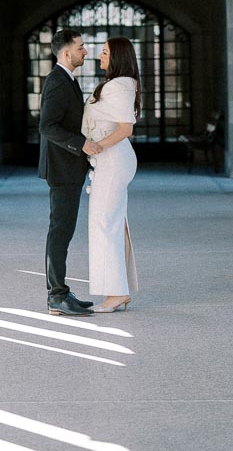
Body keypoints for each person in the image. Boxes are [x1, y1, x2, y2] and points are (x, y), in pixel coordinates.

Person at [38, 28, 104, 316]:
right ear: (66, 52)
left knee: (64, 231)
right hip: (62, 169)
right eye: (81, 47)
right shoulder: (57, 82)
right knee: (60, 231)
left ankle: (62, 292)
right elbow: (47, 126)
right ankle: (56, 296)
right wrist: (83, 145)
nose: (86, 51)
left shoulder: (68, 80)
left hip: (69, 168)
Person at [82, 36, 140, 313]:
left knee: (105, 223)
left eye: (104, 52)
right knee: (110, 222)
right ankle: (118, 289)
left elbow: (126, 128)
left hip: (114, 158)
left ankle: (116, 293)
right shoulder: (118, 84)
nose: (99, 56)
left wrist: (97, 146)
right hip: (111, 159)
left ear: (117, 56)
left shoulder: (119, 85)